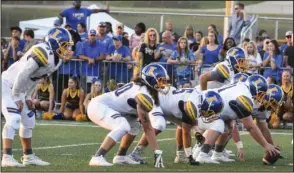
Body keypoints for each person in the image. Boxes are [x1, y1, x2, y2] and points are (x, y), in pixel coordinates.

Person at [1, 27, 73, 167]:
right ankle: (6, 157)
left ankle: (28, 156)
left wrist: (27, 95)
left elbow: (35, 78)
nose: (67, 50)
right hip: (7, 85)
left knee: (29, 120)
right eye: (64, 46)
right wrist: (16, 96)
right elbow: (23, 73)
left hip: (19, 89)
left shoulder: (56, 60)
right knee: (14, 118)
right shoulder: (43, 51)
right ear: (54, 42)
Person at [87, 63, 168, 168]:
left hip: (107, 107)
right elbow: (147, 127)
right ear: (150, 79)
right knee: (123, 125)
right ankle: (97, 156)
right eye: (161, 80)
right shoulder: (142, 93)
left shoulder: (144, 89)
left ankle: (121, 156)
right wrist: (157, 152)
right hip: (98, 106)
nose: (163, 84)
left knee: (134, 125)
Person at [193, 74, 281, 163]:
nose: (262, 97)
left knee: (228, 126)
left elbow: (229, 110)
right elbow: (250, 127)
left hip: (208, 108)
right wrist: (266, 145)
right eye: (261, 93)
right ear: (256, 90)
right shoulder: (244, 97)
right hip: (203, 109)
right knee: (219, 125)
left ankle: (216, 154)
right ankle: (202, 154)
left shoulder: (243, 88)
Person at [128, 87, 224, 165]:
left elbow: (189, 124)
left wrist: (196, 130)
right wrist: (190, 156)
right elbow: (186, 132)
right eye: (211, 112)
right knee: (159, 125)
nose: (211, 115)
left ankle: (180, 156)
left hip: (170, 105)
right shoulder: (193, 105)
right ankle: (135, 153)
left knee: (181, 125)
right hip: (155, 102)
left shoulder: (198, 100)